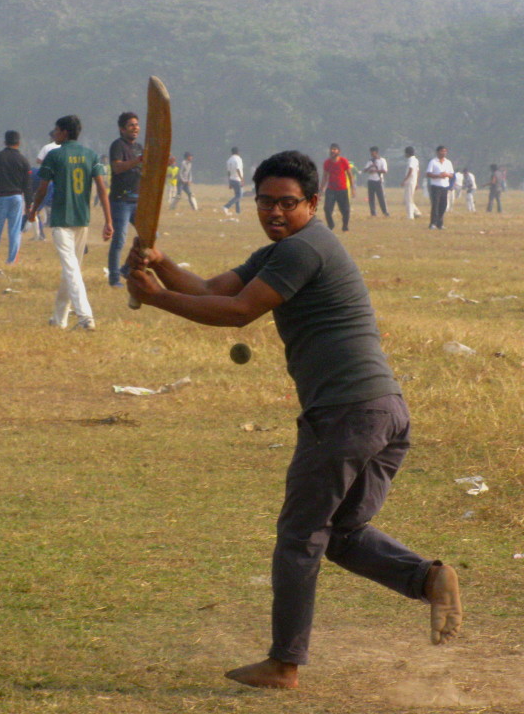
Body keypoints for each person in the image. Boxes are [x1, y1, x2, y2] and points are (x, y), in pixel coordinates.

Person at [125, 150, 463, 690]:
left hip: (346, 414)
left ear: (312, 202)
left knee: (301, 535)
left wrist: (159, 299)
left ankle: (284, 664)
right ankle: (428, 578)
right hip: (383, 411)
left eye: (287, 203)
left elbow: (239, 312)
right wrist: (160, 264)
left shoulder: (305, 249)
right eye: (265, 202)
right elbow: (217, 290)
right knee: (343, 534)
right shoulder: (284, 251)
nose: (274, 212)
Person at [28, 114, 112, 330]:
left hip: (61, 220)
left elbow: (42, 188)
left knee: (71, 270)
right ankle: (59, 319)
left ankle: (85, 318)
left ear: (65, 132)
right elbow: (102, 190)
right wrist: (108, 221)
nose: (54, 134)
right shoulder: (91, 155)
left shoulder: (54, 156)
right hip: (82, 219)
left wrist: (33, 209)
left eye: (56, 130)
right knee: (71, 269)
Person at [0, 130, 31, 265]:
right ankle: (11, 260)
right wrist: (29, 205)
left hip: (1, 197)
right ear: (19, 143)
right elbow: (27, 185)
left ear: (5, 142)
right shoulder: (23, 160)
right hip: (16, 197)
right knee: (14, 231)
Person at [108, 111, 143, 287]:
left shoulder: (139, 148)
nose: (135, 128)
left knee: (149, 236)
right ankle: (114, 278)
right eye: (131, 125)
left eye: (137, 125)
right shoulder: (118, 146)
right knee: (119, 239)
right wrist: (138, 161)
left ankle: (127, 268)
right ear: (122, 129)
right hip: (121, 200)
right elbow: (118, 167)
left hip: (138, 201)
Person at [320, 143, 355, 232]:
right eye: (331, 149)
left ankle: (345, 226)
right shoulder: (327, 163)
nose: (332, 151)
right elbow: (325, 177)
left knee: (346, 210)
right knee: (327, 209)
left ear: (339, 151)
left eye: (335, 149)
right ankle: (331, 225)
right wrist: (321, 190)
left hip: (342, 190)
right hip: (331, 189)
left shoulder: (344, 161)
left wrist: (353, 189)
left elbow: (350, 175)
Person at [425, 145, 454, 230]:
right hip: (435, 186)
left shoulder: (448, 162)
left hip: (444, 186)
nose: (444, 153)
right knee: (435, 205)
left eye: (445, 151)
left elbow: (451, 174)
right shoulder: (433, 162)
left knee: (443, 205)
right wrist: (438, 175)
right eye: (442, 151)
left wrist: (446, 175)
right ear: (438, 152)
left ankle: (440, 223)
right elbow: (428, 173)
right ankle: (433, 223)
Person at [362, 146, 389, 217]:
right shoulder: (370, 161)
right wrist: (370, 167)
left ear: (376, 152)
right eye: (370, 152)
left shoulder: (382, 160)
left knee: (381, 197)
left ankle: (385, 212)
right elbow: (364, 170)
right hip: (371, 181)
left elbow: (385, 170)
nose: (371, 154)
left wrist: (376, 170)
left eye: (372, 152)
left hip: (378, 180)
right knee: (371, 198)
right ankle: (373, 213)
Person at [401, 146, 421, 220]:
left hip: (410, 181)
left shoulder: (411, 160)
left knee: (408, 199)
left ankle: (410, 216)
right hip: (413, 181)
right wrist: (417, 182)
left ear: (407, 153)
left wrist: (405, 180)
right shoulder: (416, 160)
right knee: (409, 198)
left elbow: (410, 170)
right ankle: (416, 212)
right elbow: (418, 171)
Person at [224, 147, 244, 214]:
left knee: (236, 195)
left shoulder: (229, 160)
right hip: (237, 179)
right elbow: (238, 169)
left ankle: (238, 211)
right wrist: (241, 179)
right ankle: (226, 206)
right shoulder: (238, 159)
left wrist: (229, 182)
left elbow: (228, 172)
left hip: (232, 179)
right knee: (239, 195)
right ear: (238, 152)